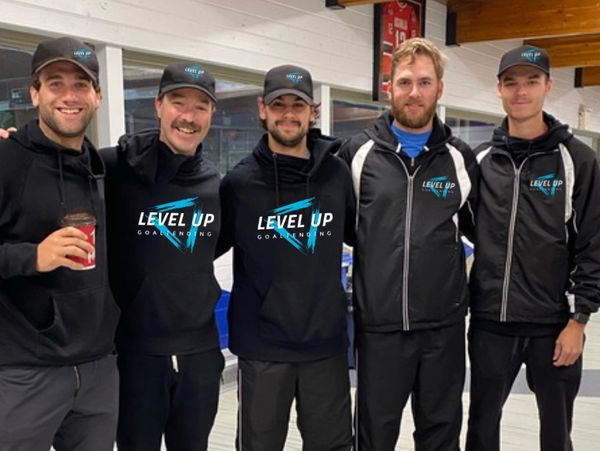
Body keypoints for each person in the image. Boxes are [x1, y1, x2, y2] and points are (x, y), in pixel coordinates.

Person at [338, 37, 478, 451]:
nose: (414, 92)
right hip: (379, 329)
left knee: (440, 435)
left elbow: (474, 230)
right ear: (389, 88)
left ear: (439, 88)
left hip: (443, 330)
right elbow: (348, 230)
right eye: (404, 82)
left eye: (424, 81)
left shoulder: (459, 158)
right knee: (374, 437)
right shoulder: (358, 153)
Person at [466, 45, 600, 451]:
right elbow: (468, 230)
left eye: (530, 81)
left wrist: (579, 320)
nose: (520, 91)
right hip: (491, 323)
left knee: (556, 435)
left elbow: (593, 243)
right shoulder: (481, 161)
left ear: (548, 86)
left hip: (554, 326)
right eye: (511, 82)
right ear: (499, 90)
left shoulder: (577, 159)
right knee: (481, 429)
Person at [217, 64, 355, 451]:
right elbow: (201, 253)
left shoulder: (337, 176)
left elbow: (362, 237)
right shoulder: (240, 184)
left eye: (299, 105)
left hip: (324, 345)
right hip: (262, 349)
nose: (289, 114)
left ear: (313, 112)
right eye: (280, 104)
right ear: (263, 109)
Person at [0, 36, 119, 451]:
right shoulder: (7, 160)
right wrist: (32, 256)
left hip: (99, 367)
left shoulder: (99, 166)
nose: (69, 96)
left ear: (97, 96)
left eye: (81, 84)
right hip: (25, 371)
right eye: (55, 83)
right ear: (35, 93)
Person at [101, 62, 223, 451]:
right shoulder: (114, 168)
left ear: (211, 114)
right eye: (178, 102)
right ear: (158, 106)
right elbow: (56, 169)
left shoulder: (214, 182)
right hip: (136, 354)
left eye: (200, 106)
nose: (188, 116)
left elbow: (210, 249)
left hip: (200, 354)